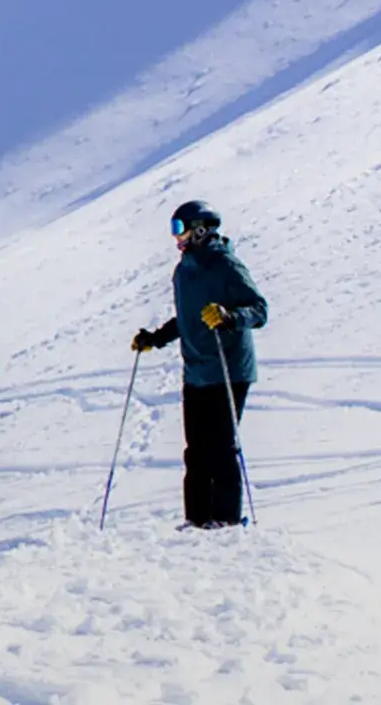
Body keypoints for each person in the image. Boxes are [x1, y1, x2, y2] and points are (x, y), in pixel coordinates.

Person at [133, 200, 271, 528]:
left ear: (200, 229)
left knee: (221, 448)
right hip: (196, 370)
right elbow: (186, 318)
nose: (176, 237)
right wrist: (154, 338)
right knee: (196, 451)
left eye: (179, 228)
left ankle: (226, 521)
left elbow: (259, 309)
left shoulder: (225, 264)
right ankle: (197, 521)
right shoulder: (183, 270)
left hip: (229, 369)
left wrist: (230, 317)